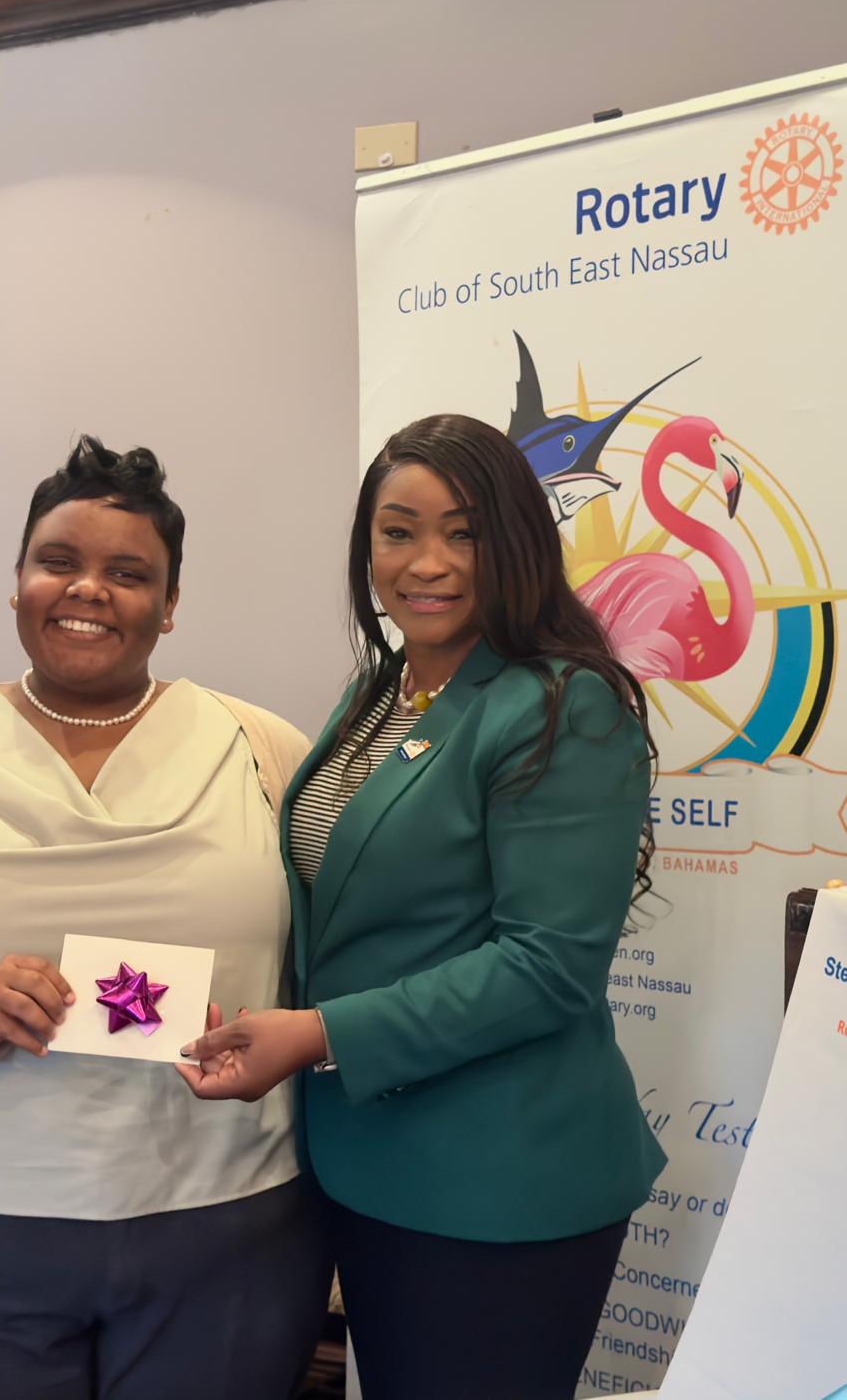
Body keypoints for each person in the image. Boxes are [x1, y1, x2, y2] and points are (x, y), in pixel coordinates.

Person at [0, 436, 327, 1399]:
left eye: (128, 573)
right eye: (59, 562)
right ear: (17, 582)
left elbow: (331, 961)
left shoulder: (268, 751)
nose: (88, 590)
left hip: (225, 1218)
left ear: (170, 603)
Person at [177, 413, 668, 1400]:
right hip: (372, 1158)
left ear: (516, 542)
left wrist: (319, 1033)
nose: (426, 562)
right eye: (397, 531)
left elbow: (548, 966)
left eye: (463, 531)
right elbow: (347, 909)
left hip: (500, 1180)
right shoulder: (385, 688)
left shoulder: (562, 703)